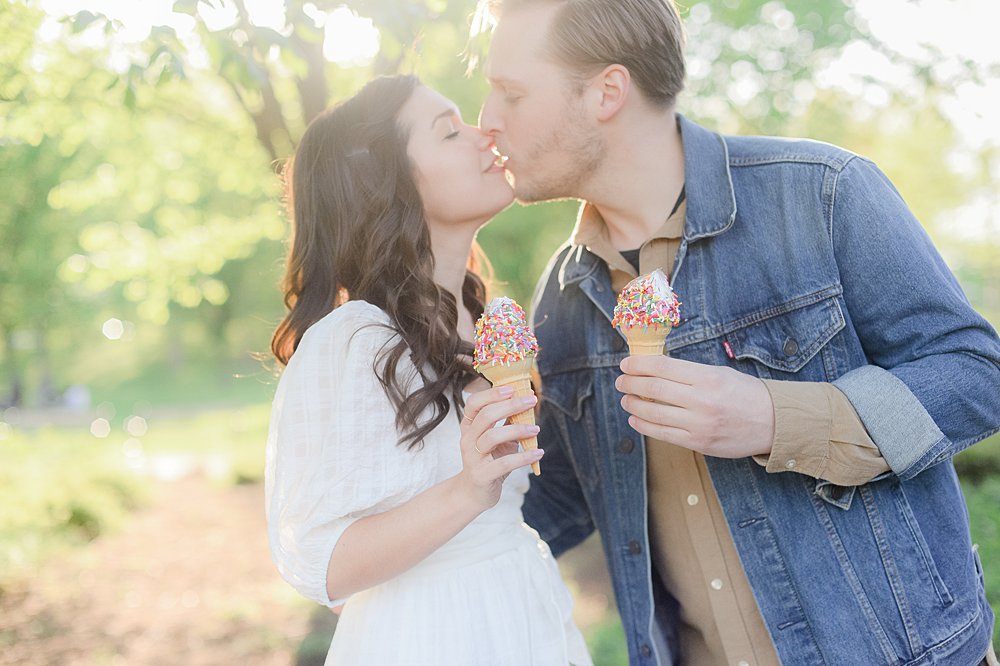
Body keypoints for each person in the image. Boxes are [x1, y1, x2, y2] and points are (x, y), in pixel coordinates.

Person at [474, 0, 1000, 664]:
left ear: (608, 91)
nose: (487, 120)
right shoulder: (562, 297)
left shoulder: (822, 195)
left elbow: (977, 373)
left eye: (511, 94)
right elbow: (555, 502)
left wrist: (777, 418)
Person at [264, 74, 592, 666]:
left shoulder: (484, 318)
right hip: (432, 633)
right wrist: (467, 489)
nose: (483, 132)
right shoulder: (354, 340)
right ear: (388, 184)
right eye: (449, 131)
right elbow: (320, 562)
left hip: (522, 607)